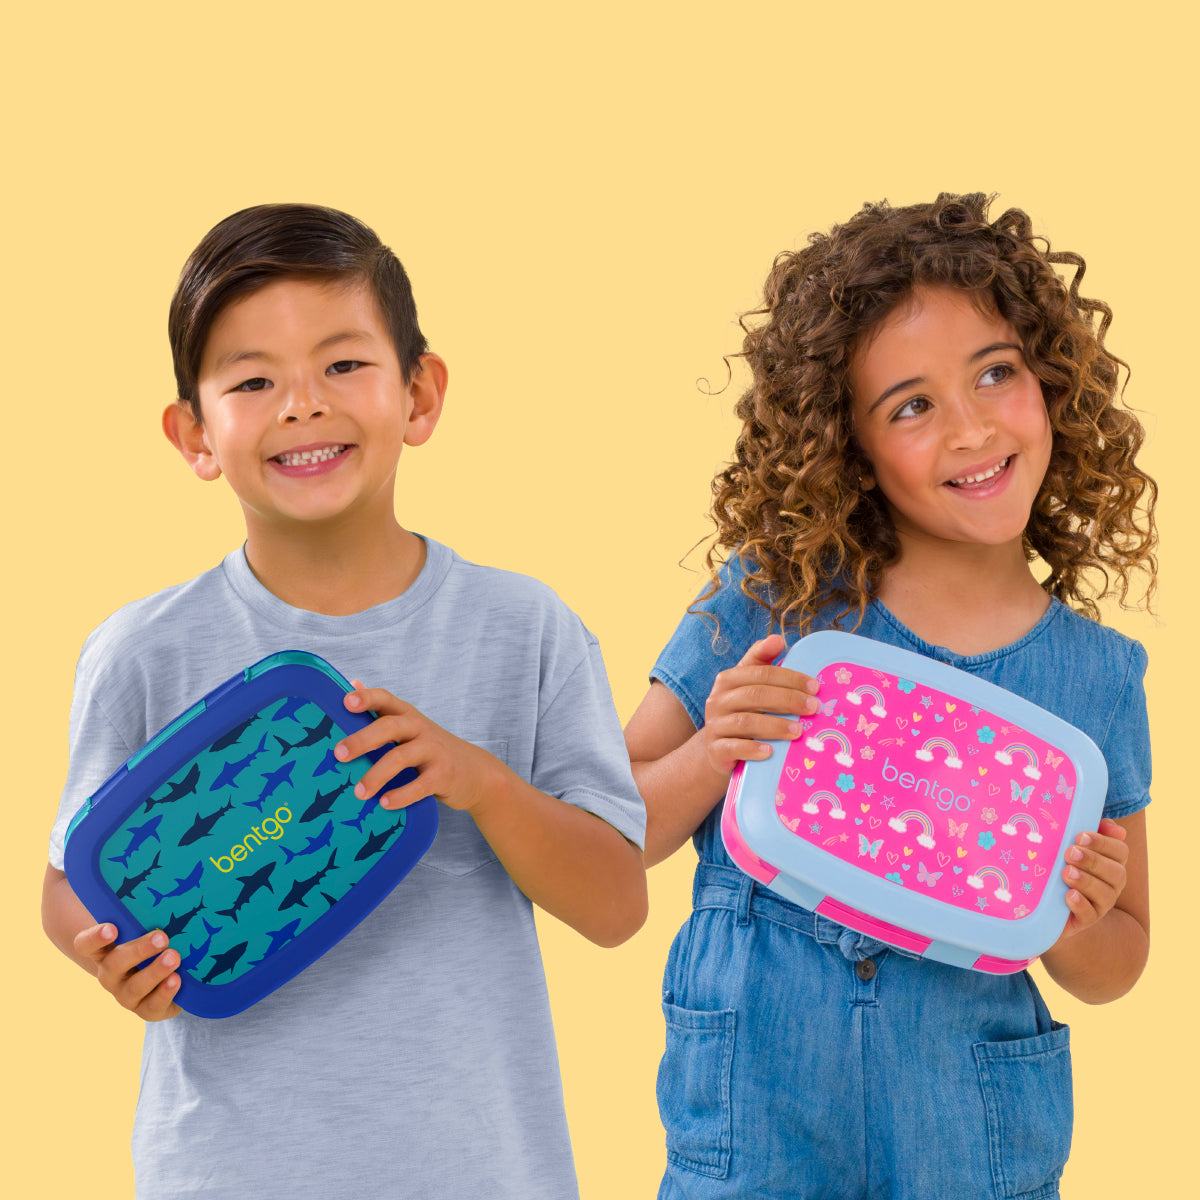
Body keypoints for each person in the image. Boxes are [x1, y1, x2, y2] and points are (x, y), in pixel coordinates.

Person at [42, 203, 648, 1200]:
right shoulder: (143, 651)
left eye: (343, 364)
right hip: (225, 1171)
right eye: (252, 381)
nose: (302, 404)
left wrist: (482, 783)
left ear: (421, 392)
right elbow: (73, 874)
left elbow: (618, 906)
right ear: (193, 435)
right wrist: (102, 953)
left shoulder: (524, 629)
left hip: (483, 1171)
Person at [624, 193, 1155, 1200]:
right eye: (911, 405)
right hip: (757, 1111)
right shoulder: (771, 603)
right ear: (848, 447)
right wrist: (710, 754)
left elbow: (1122, 957)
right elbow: (610, 824)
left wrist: (1079, 918)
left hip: (971, 1132)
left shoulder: (1095, 676)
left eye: (997, 373)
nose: (971, 427)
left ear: (1054, 382)